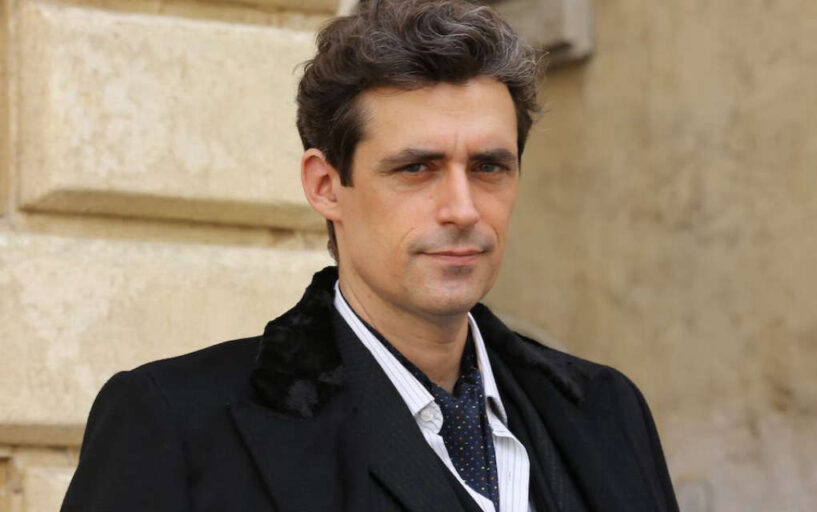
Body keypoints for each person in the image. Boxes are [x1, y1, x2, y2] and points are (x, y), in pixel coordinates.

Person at [60, 1, 678, 511]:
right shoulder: (177, 424)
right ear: (326, 186)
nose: (463, 209)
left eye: (489, 167)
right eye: (417, 168)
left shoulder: (606, 409)